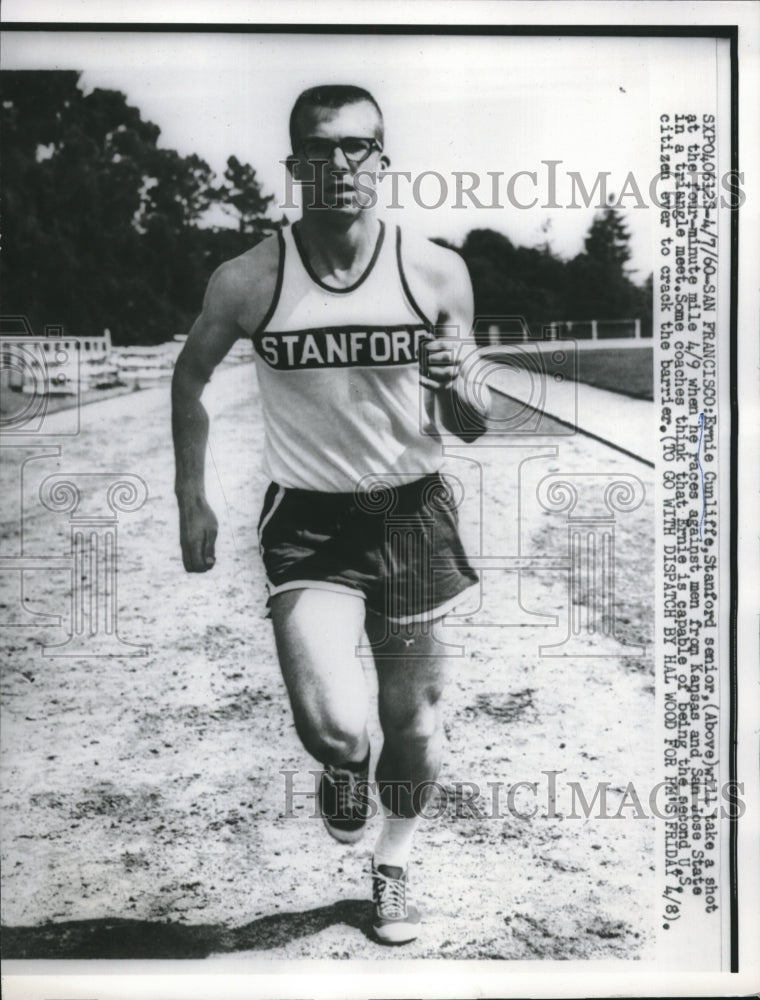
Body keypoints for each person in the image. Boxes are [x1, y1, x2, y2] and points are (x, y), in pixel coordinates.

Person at [172, 84, 490, 945]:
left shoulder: (434, 271)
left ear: (381, 162)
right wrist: (189, 496)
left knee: (415, 727)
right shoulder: (250, 278)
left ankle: (392, 867)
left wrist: (457, 388)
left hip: (414, 514)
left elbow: (471, 420)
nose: (338, 164)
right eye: (319, 149)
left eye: (357, 148)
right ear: (294, 166)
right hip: (309, 521)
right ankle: (345, 772)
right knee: (336, 728)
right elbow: (190, 378)